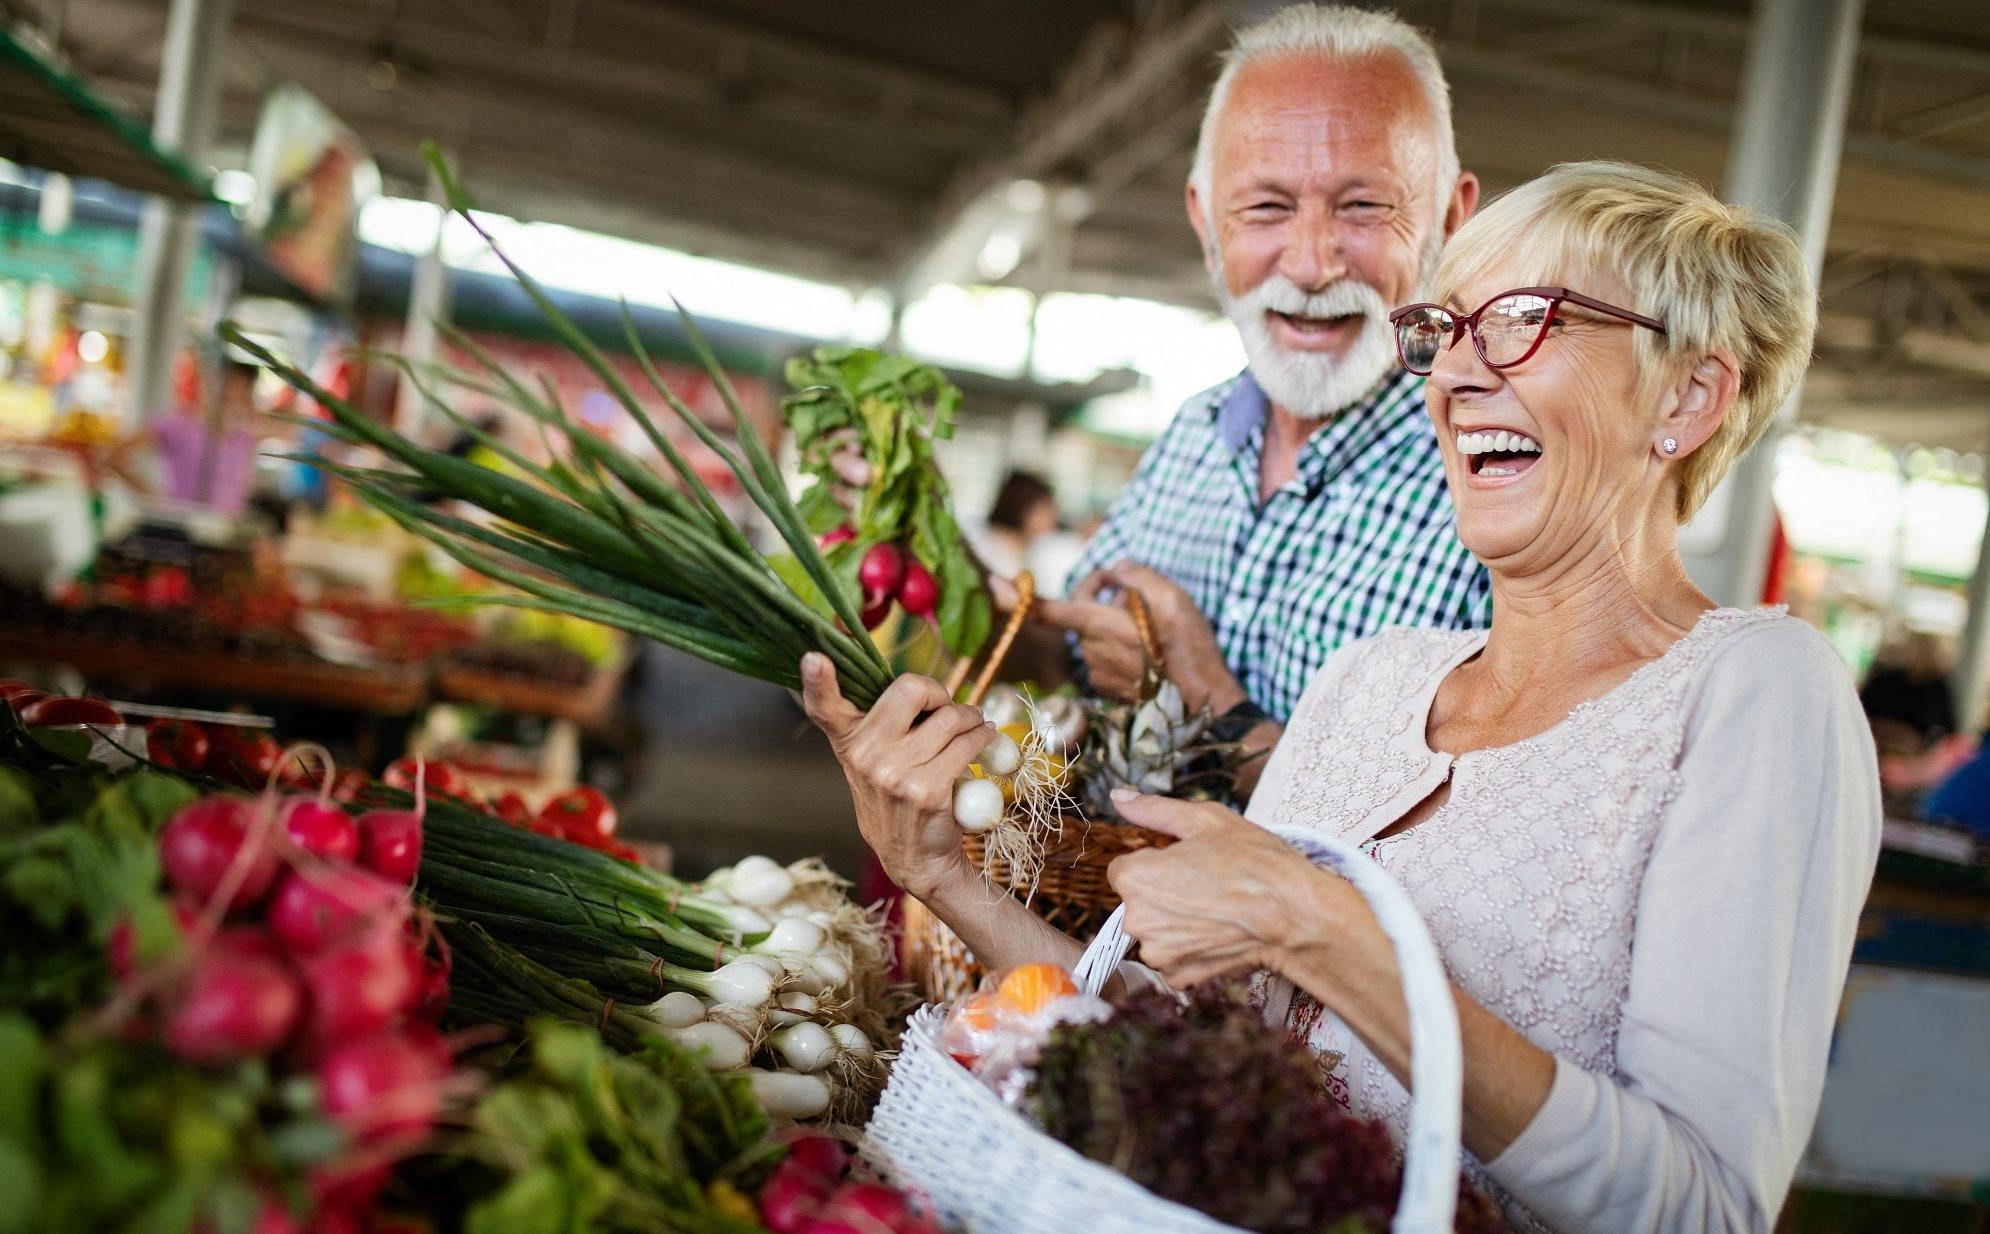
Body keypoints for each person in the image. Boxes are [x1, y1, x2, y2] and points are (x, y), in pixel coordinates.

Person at [801, 162, 1882, 1233]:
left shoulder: (1753, 690)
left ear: (1689, 395)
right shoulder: (1371, 677)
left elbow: (1703, 1208)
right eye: (1445, 330)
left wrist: (1322, 932)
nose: (1454, 376)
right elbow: (1190, 1069)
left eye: (1520, 321)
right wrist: (943, 877)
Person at [1000, 5, 1490, 796]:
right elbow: (1076, 665)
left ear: (1451, 217)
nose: (1311, 265)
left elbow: (1469, 829)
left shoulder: (1493, 479)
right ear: (1205, 221)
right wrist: (954, 589)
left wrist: (1204, 693)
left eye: (1364, 207)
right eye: (1266, 207)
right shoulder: (1196, 429)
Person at [1859, 630, 1958, 744]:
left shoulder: (1937, 688)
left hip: (1909, 749)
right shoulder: (1885, 679)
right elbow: (1863, 712)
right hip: (1880, 744)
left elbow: (1948, 729)